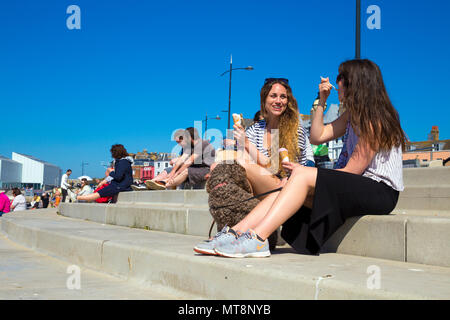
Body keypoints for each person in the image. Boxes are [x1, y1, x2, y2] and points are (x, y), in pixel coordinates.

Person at [204, 59, 405, 258]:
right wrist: (321, 101)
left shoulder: (374, 119)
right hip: (356, 185)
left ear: (355, 82)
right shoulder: (352, 115)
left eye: (340, 78)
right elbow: (318, 136)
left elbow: (352, 171)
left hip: (379, 191)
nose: (336, 83)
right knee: (290, 182)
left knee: (298, 175)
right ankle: (235, 232)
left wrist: (308, 174)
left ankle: (257, 238)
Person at [146, 128, 215, 190]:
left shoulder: (202, 144)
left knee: (186, 170)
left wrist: (176, 174)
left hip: (205, 169)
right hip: (194, 168)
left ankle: (164, 184)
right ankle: (151, 183)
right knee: (170, 170)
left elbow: (189, 161)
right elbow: (182, 158)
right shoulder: (190, 146)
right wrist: (173, 171)